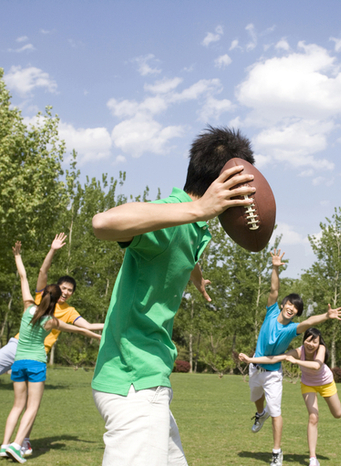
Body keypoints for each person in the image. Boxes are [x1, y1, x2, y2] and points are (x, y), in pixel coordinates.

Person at [90, 126, 260, 466]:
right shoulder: (178, 215)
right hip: (134, 384)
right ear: (223, 184)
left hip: (148, 381)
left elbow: (183, 254)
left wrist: (197, 279)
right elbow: (103, 223)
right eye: (244, 187)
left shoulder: (192, 226)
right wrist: (198, 210)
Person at [0, 233, 104, 456]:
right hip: (18, 346)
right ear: (55, 289)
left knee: (27, 402)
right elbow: (41, 273)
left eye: (70, 290)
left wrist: (106, 327)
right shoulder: (42, 297)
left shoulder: (67, 311)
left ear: (72, 294)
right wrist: (52, 250)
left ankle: (22, 441)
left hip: (36, 354)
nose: (66, 292)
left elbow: (86, 325)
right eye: (63, 288)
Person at [2, 241, 101, 464]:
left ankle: (5, 445)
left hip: (17, 363)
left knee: (18, 405)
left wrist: (18, 256)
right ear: (57, 299)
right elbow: (81, 329)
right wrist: (102, 331)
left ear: (44, 294)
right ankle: (18, 446)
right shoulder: (52, 321)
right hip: (36, 363)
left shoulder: (28, 307)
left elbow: (23, 278)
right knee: (32, 407)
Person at [244, 249, 341, 466]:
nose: (292, 308)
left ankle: (276, 454)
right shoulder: (271, 311)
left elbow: (309, 322)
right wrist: (275, 268)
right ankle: (260, 413)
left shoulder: (292, 330)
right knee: (256, 399)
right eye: (290, 304)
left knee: (277, 412)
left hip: (272, 372)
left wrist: (326, 316)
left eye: (296, 308)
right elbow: (273, 288)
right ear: (283, 304)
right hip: (256, 367)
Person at [239, 327, 341, 466]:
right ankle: (313, 458)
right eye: (308, 340)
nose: (311, 344)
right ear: (304, 339)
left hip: (326, 383)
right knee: (313, 417)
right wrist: (250, 359)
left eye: (314, 342)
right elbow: (275, 358)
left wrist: (296, 361)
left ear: (319, 343)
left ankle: (313, 457)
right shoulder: (299, 351)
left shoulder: (321, 349)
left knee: (337, 414)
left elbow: (317, 365)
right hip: (308, 384)